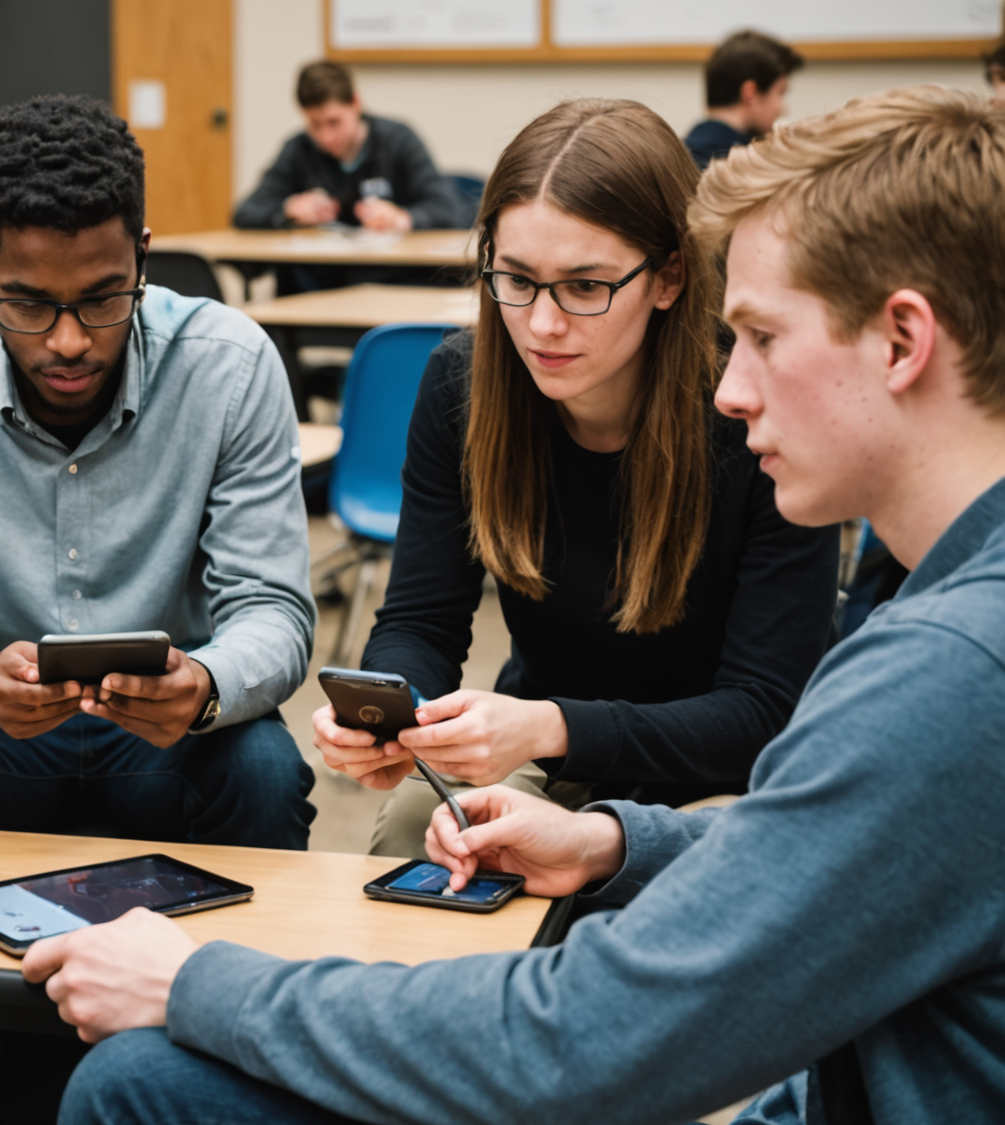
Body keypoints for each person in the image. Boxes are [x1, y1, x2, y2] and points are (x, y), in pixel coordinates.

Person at [29, 84, 1005, 1125]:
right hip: (816, 1091)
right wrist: (609, 840)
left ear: (904, 340)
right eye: (515, 282)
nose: (734, 388)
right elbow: (834, 847)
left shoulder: (946, 668)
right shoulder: (933, 602)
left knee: (140, 1088)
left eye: (763, 336)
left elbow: (578, 1050)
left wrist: (203, 983)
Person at [0, 96, 318, 1125]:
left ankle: (239, 1087)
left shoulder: (229, 365)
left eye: (102, 299)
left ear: (144, 256)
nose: (65, 342)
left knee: (266, 767)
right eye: (26, 303)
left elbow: (274, 611)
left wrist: (207, 687)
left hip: (168, 751)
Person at [322, 98, 836, 860]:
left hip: (722, 769)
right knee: (411, 831)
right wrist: (390, 714)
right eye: (516, 278)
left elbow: (761, 712)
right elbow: (423, 621)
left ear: (669, 278)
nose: (541, 325)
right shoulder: (461, 386)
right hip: (548, 743)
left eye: (586, 286)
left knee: (705, 883)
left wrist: (551, 726)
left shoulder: (753, 405)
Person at [234, 61, 470, 295]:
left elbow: (447, 207)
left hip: (394, 279)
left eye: (334, 123)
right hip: (325, 282)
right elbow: (245, 212)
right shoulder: (299, 150)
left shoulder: (398, 141)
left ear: (355, 104)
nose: (326, 137)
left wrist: (402, 218)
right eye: (315, 125)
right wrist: (289, 208)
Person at [686, 30, 803, 169]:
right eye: (780, 93)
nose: (783, 109)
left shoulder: (681, 153)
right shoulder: (749, 168)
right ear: (750, 93)